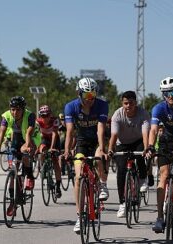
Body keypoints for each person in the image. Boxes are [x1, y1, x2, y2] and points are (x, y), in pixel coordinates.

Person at [63, 77, 109, 234]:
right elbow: (70, 131)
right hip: (82, 142)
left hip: (97, 140)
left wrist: (102, 148)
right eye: (86, 95)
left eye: (92, 95)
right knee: (78, 177)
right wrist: (67, 150)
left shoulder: (102, 105)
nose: (90, 99)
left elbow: (101, 128)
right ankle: (79, 216)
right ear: (79, 94)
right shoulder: (71, 107)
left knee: (98, 157)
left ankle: (102, 184)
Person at [0, 96, 41, 216]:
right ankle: (13, 201)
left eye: (18, 110)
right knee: (14, 167)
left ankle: (29, 176)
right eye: (12, 109)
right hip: (17, 137)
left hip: (32, 137)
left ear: (23, 109)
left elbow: (29, 134)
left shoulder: (30, 116)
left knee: (25, 154)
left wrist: (27, 146)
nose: (15, 112)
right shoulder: (6, 116)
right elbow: (1, 133)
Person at [107, 91, 150, 218]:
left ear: (135, 103)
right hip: (122, 143)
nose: (128, 106)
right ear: (122, 103)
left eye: (131, 103)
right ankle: (122, 203)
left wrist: (147, 149)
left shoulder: (143, 113)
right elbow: (114, 135)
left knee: (140, 154)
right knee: (121, 170)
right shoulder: (117, 115)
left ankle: (142, 179)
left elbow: (145, 134)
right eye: (125, 103)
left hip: (138, 141)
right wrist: (110, 149)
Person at [146, 77, 173, 233]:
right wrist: (150, 146)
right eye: (167, 92)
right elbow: (153, 130)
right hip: (166, 142)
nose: (171, 95)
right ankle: (159, 217)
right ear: (163, 94)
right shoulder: (159, 108)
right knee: (163, 176)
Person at [36, 105, 62, 198]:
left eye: (47, 115)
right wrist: (37, 147)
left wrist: (52, 148)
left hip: (54, 140)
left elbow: (55, 134)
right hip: (44, 139)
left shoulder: (55, 120)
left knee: (55, 162)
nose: (45, 118)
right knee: (42, 150)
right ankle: (43, 166)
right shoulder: (38, 121)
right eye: (43, 116)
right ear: (40, 116)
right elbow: (37, 135)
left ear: (50, 115)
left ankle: (58, 187)